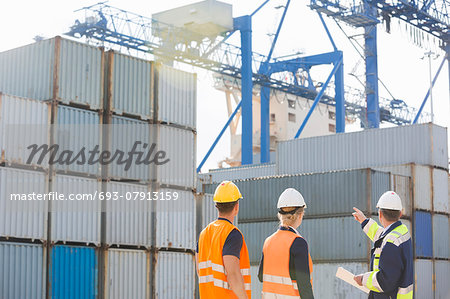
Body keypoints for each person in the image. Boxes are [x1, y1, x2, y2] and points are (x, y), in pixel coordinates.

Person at [352, 191, 413, 299]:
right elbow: (382, 236)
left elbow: (385, 282)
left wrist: (363, 279)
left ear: (380, 214)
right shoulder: (401, 232)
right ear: (400, 214)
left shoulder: (391, 244)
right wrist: (364, 221)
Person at [196, 181, 251, 299]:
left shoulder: (204, 234)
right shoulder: (232, 234)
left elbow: (200, 271)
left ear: (217, 206)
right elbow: (233, 275)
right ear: (236, 207)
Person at [258, 188, 314, 299]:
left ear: (280, 215)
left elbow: (261, 276)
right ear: (300, 215)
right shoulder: (298, 243)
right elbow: (304, 286)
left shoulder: (268, 241)